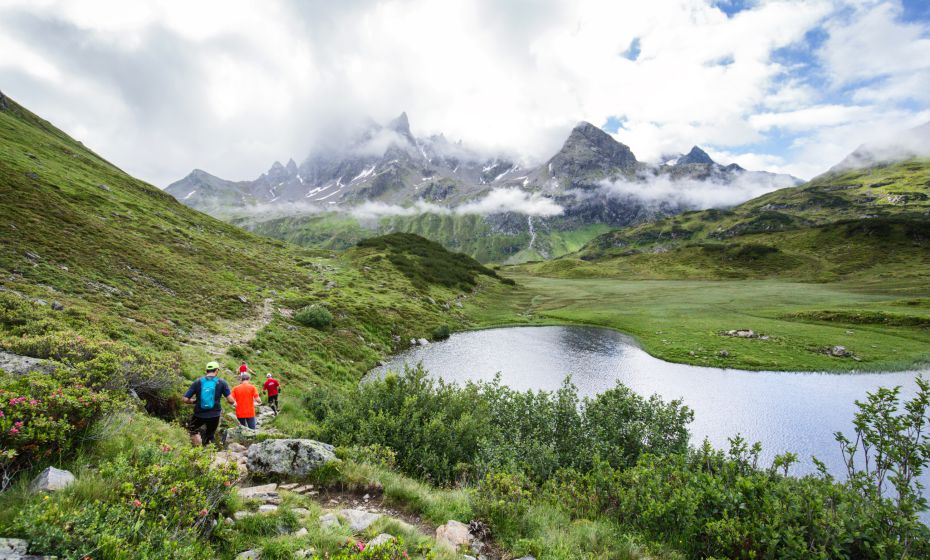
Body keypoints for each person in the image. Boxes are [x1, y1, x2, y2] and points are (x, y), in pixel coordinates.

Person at [183, 361, 235, 446]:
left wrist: (193, 401)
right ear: (217, 370)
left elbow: (185, 399)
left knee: (192, 430)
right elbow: (231, 401)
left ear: (207, 370)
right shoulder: (222, 382)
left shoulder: (197, 382)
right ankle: (210, 454)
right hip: (214, 415)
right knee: (210, 435)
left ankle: (196, 448)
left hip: (199, 414)